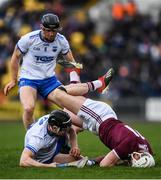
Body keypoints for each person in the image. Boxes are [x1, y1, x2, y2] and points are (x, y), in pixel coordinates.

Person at [3, 12, 112, 129]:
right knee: (28, 108)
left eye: (54, 31)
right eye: (47, 30)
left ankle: (96, 126)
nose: (50, 34)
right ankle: (32, 137)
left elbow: (72, 63)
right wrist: (13, 80)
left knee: (70, 108)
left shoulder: (61, 41)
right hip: (28, 79)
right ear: (41, 28)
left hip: (49, 80)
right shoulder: (29, 39)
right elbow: (15, 57)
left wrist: (75, 76)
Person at [46, 86, 155, 168]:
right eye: (136, 158)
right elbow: (104, 164)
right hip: (99, 116)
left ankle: (63, 146)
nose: (134, 157)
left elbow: (115, 156)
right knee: (59, 96)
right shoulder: (128, 145)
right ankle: (97, 84)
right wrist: (121, 161)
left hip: (100, 124)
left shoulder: (147, 149)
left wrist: (93, 161)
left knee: (67, 121)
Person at [19, 109, 88, 168]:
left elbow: (71, 130)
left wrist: (74, 146)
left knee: (78, 128)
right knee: (77, 158)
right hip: (45, 157)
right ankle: (91, 161)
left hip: (52, 142)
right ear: (54, 128)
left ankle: (65, 149)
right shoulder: (38, 138)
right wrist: (47, 166)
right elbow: (23, 160)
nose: (67, 131)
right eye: (64, 130)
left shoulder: (53, 120)